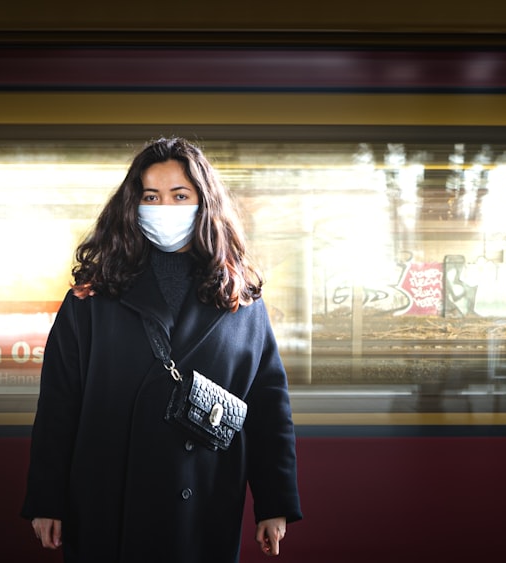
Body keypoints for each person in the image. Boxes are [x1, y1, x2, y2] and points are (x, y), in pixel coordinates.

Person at [21, 137, 302, 562]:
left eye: (180, 195)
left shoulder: (240, 299)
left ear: (203, 202)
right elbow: (60, 404)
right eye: (151, 196)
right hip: (106, 500)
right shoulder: (92, 297)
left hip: (203, 497)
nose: (164, 208)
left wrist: (275, 502)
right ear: (133, 206)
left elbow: (268, 407)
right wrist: (47, 498)